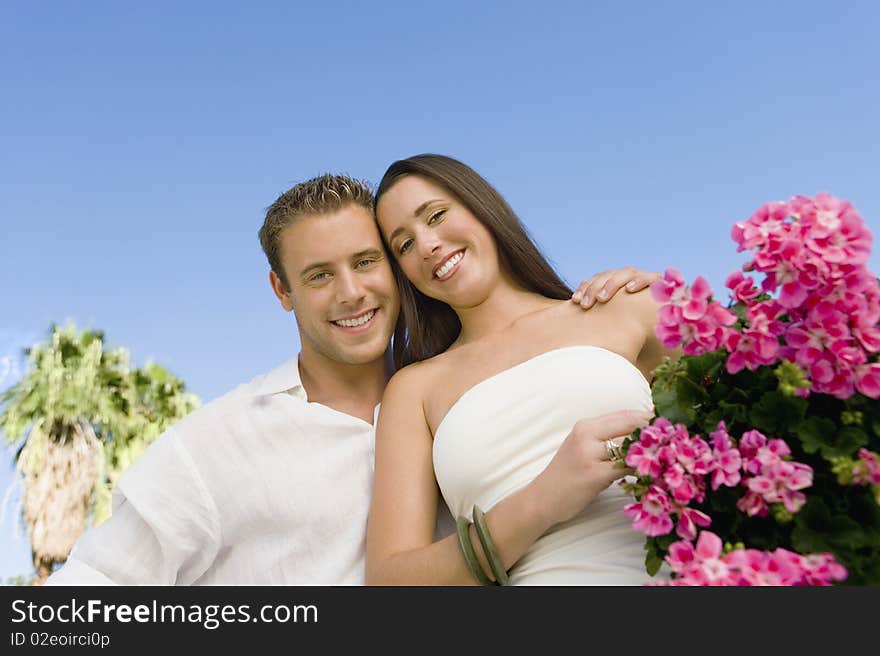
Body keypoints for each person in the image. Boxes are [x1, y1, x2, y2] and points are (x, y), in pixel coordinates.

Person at [44, 172, 656, 585]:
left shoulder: (450, 398)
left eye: (368, 262)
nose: (352, 292)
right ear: (281, 291)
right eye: (318, 276)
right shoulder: (216, 446)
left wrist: (634, 306)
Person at [366, 154, 680, 585]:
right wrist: (540, 501)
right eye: (404, 245)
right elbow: (390, 583)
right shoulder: (414, 390)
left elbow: (754, 418)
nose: (427, 245)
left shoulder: (626, 306)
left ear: (482, 208)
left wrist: (675, 305)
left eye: (436, 216)